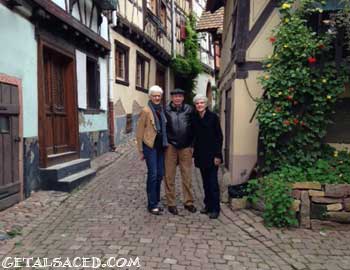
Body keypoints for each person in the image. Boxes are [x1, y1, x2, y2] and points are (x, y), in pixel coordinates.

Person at [136, 85, 168, 215]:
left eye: (158, 96)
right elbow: (139, 131)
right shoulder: (146, 111)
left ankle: (157, 200)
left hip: (161, 146)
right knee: (153, 174)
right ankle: (152, 204)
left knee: (160, 175)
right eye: (154, 95)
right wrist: (141, 150)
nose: (156, 98)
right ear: (150, 96)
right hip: (150, 147)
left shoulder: (161, 109)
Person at [164, 89, 197, 215]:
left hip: (186, 146)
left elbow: (194, 128)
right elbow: (163, 127)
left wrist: (192, 145)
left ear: (183, 98)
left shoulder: (189, 110)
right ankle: (171, 203)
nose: (177, 98)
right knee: (169, 176)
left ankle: (188, 202)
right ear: (172, 98)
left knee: (187, 175)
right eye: (175, 96)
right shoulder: (166, 110)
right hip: (171, 147)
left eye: (179, 96)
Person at [192, 94, 223, 219]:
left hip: (212, 155)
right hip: (201, 155)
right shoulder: (195, 117)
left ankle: (215, 208)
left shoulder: (213, 117)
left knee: (213, 183)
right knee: (205, 183)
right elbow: (193, 135)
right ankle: (208, 205)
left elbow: (219, 137)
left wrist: (218, 155)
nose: (199, 105)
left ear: (206, 104)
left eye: (202, 103)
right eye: (197, 103)